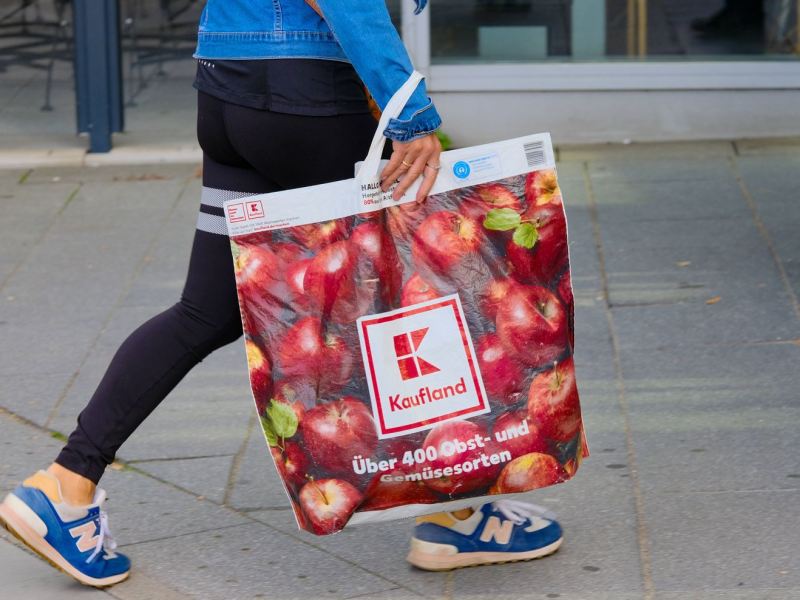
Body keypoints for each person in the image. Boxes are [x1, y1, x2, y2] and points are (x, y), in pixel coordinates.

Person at [0, 0, 562, 587]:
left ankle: (64, 485)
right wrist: (409, 111)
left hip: (229, 94)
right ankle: (460, 517)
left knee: (206, 310)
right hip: (306, 96)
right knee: (401, 307)